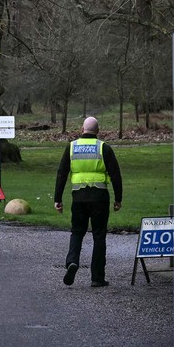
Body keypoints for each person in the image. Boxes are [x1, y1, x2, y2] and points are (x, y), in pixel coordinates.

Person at [54, 116, 123, 287]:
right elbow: (115, 174)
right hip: (99, 198)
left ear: (81, 129)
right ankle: (97, 277)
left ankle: (72, 261)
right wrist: (118, 199)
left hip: (78, 198)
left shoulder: (71, 147)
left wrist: (58, 199)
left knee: (77, 232)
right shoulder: (103, 148)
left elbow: (62, 174)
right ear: (98, 131)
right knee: (99, 235)